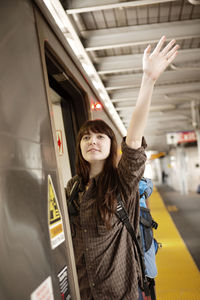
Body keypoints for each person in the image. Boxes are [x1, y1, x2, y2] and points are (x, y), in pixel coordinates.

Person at [65, 36, 179, 300]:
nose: (92, 141)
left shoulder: (123, 183)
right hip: (83, 293)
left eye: (100, 137)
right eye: (85, 137)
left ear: (111, 145)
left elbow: (134, 141)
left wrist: (148, 80)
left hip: (122, 294)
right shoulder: (73, 188)